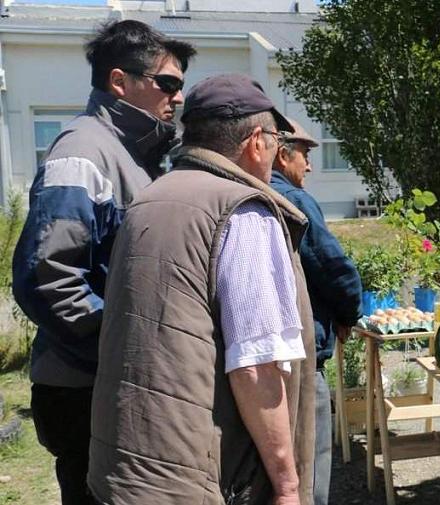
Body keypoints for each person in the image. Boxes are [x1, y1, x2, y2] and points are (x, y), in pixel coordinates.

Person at [88, 74, 317, 505]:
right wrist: (288, 486)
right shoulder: (244, 211)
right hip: (192, 478)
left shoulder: (149, 197)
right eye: (275, 141)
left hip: (121, 467)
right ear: (255, 142)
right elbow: (256, 366)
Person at [11, 20, 195, 504]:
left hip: (113, 383)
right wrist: (122, 351)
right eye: (167, 83)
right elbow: (47, 277)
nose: (176, 97)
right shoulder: (83, 152)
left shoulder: (135, 155)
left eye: (181, 87)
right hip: (88, 389)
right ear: (119, 82)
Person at [270, 125, 363, 505]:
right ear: (282, 155)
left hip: (259, 358)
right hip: (303, 357)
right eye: (305, 155)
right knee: (310, 468)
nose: (309, 166)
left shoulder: (250, 193)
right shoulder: (293, 199)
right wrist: (348, 313)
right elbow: (333, 266)